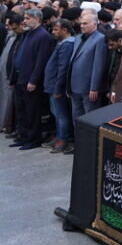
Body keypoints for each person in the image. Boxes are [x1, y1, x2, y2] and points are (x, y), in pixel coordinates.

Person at [10, 10, 53, 149]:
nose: (24, 21)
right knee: (21, 110)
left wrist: (33, 80)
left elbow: (41, 61)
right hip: (20, 78)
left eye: (27, 18)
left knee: (32, 112)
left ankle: (33, 139)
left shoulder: (43, 36)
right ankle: (23, 137)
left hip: (31, 81)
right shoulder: (27, 33)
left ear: (37, 19)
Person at [43, 19, 76, 153]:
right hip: (52, 84)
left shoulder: (67, 45)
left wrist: (58, 88)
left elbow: (63, 68)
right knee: (56, 113)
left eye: (56, 29)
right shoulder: (61, 43)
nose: (53, 32)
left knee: (61, 114)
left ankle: (63, 139)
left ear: (65, 30)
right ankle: (58, 135)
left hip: (57, 87)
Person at [67, 9, 107, 120]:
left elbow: (98, 66)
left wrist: (94, 88)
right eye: (81, 23)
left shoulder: (100, 39)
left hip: (88, 88)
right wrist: (68, 86)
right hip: (74, 86)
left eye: (85, 23)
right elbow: (73, 61)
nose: (82, 26)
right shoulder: (78, 38)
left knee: (89, 119)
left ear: (94, 24)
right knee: (76, 118)